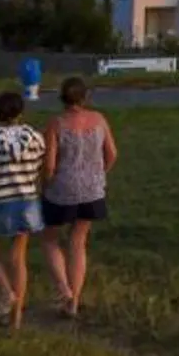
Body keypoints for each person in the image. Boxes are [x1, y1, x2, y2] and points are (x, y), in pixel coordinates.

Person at [0, 89, 49, 329]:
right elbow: (39, 167)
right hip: (26, 200)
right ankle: (16, 318)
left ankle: (5, 292)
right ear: (21, 112)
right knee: (18, 258)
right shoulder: (35, 137)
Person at [40, 76, 117, 321]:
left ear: (62, 97)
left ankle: (63, 288)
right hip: (92, 189)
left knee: (50, 238)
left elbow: (49, 164)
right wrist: (99, 173)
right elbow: (112, 154)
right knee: (78, 242)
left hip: (62, 189)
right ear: (85, 97)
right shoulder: (99, 120)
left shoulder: (56, 124)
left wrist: (44, 185)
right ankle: (74, 301)